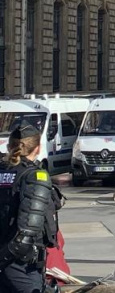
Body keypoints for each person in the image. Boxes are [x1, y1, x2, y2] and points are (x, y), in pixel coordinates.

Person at [0, 122, 60, 293]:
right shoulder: (35, 176)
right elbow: (26, 236)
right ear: (38, 147)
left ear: (9, 145)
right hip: (20, 266)